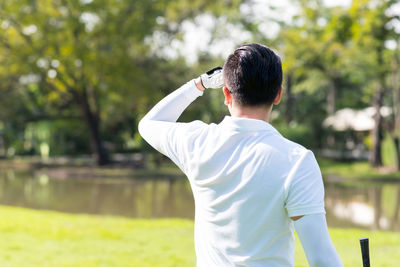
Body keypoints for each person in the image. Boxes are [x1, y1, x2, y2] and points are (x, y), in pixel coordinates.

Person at [139, 43, 343, 267]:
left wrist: (200, 84)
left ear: (226, 93)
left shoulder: (197, 142)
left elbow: (149, 124)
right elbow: (321, 259)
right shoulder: (297, 160)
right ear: (278, 95)